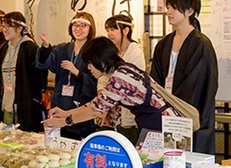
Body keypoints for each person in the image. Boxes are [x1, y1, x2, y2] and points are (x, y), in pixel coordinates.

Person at [42, 37, 198, 135]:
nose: (88, 68)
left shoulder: (120, 78)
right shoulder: (124, 69)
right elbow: (95, 104)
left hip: (163, 127)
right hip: (161, 124)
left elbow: (94, 110)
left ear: (100, 61)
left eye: (89, 63)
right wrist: (65, 113)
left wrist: (63, 122)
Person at [149, 0, 218, 155]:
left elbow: (199, 85)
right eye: (168, 7)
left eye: (174, 7)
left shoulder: (201, 44)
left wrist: (174, 106)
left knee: (187, 162)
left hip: (188, 115)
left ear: (190, 11)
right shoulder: (164, 44)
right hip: (166, 114)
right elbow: (155, 80)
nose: (169, 12)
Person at [36, 12, 98, 140]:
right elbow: (44, 64)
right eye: (75, 25)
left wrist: (77, 72)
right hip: (60, 102)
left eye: (83, 26)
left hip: (81, 106)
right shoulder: (62, 49)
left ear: (90, 29)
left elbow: (95, 82)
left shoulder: (94, 51)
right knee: (60, 143)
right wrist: (46, 48)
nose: (78, 29)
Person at [100, 14, 146, 144]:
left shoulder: (135, 51)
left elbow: (126, 83)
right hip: (109, 111)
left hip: (128, 115)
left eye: (113, 29)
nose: (109, 33)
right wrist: (102, 97)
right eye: (107, 30)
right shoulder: (112, 51)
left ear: (126, 31)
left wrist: (107, 100)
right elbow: (102, 77)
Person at [0, 11, 47, 131]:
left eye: (8, 26)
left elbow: (40, 74)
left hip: (25, 107)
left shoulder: (30, 48)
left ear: (20, 28)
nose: (5, 30)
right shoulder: (5, 47)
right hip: (7, 104)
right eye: (3, 26)